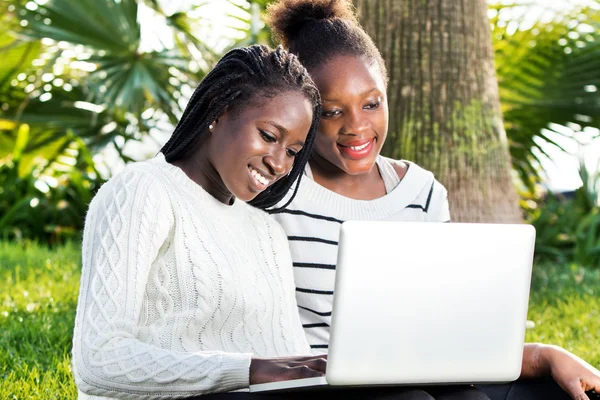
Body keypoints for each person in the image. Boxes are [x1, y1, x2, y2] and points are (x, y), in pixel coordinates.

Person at [264, 1, 600, 400]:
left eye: (371, 103)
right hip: (318, 387)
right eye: (333, 111)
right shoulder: (276, 195)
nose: (357, 127)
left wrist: (545, 355)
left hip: (422, 375)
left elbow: (449, 336)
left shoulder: (420, 193)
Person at [71, 45, 329, 399]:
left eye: (293, 151)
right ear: (218, 111)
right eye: (269, 136)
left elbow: (289, 358)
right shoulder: (142, 192)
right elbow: (98, 360)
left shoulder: (267, 233)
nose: (280, 164)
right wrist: (246, 370)